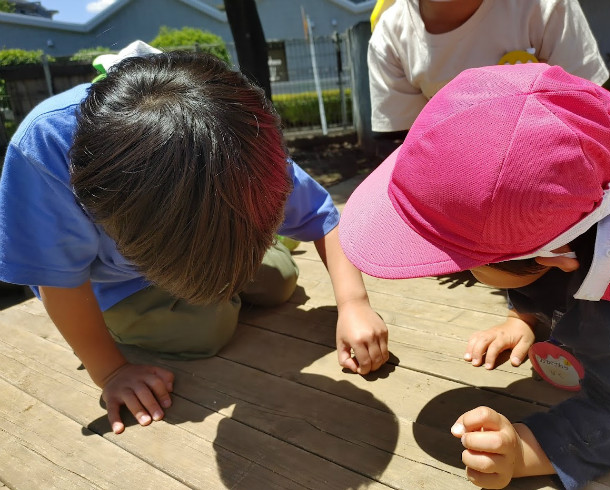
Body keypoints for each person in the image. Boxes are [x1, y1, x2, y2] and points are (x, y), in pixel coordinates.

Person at [0, 44, 388, 435]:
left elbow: (323, 215)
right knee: (205, 329)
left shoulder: (235, 135)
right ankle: (252, 252)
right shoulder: (45, 149)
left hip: (202, 241)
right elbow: (56, 277)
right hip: (112, 283)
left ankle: (261, 244)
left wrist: (353, 303)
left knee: (280, 281)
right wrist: (111, 370)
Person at [339, 63, 610, 489]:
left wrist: (528, 449)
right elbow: (533, 240)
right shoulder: (585, 176)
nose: (454, 271)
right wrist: (523, 318)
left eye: (465, 260)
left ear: (554, 259)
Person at [369, 0, 609, 137]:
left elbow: (590, 116)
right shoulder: (390, 39)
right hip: (456, 192)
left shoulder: (543, 7)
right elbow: (408, 148)